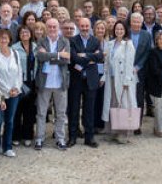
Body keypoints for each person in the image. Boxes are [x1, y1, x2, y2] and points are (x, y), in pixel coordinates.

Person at [33, 18, 70, 150]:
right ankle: (39, 139)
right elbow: (40, 57)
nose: (52, 29)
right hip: (45, 83)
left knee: (60, 113)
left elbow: (66, 60)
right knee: (41, 113)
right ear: (46, 28)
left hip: (60, 83)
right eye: (50, 27)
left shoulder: (65, 41)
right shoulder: (41, 41)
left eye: (54, 27)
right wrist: (59, 55)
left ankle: (60, 139)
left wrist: (49, 55)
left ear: (58, 27)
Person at [67, 16, 102, 147]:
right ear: (78, 26)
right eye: (82, 26)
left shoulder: (95, 41)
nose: (85, 28)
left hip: (91, 79)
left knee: (89, 110)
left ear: (90, 27)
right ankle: (72, 137)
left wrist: (84, 55)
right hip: (76, 80)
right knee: (73, 109)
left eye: (87, 26)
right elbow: (74, 58)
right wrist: (90, 57)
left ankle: (89, 137)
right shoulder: (72, 40)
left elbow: (99, 57)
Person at [101, 20, 138, 143]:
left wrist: (127, 81)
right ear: (114, 30)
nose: (119, 31)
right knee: (112, 104)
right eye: (117, 29)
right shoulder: (110, 44)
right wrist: (103, 77)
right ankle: (113, 131)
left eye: (121, 29)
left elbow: (129, 63)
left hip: (122, 80)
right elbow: (106, 62)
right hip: (111, 78)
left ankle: (123, 133)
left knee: (123, 105)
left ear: (125, 31)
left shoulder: (128, 44)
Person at [0, 28, 22, 157]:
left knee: (10, 121)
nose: (3, 40)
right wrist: (7, 89)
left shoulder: (15, 53)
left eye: (6, 38)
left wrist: (16, 88)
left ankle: (7, 147)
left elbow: (19, 73)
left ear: (9, 39)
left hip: (14, 93)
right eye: (1, 38)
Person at [14, 25, 39, 147]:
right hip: (20, 82)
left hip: (32, 82)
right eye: (22, 32)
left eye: (27, 32)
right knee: (18, 111)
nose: (25, 34)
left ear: (31, 34)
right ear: (19, 34)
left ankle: (28, 135)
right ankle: (16, 136)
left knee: (30, 111)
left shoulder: (36, 47)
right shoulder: (14, 48)